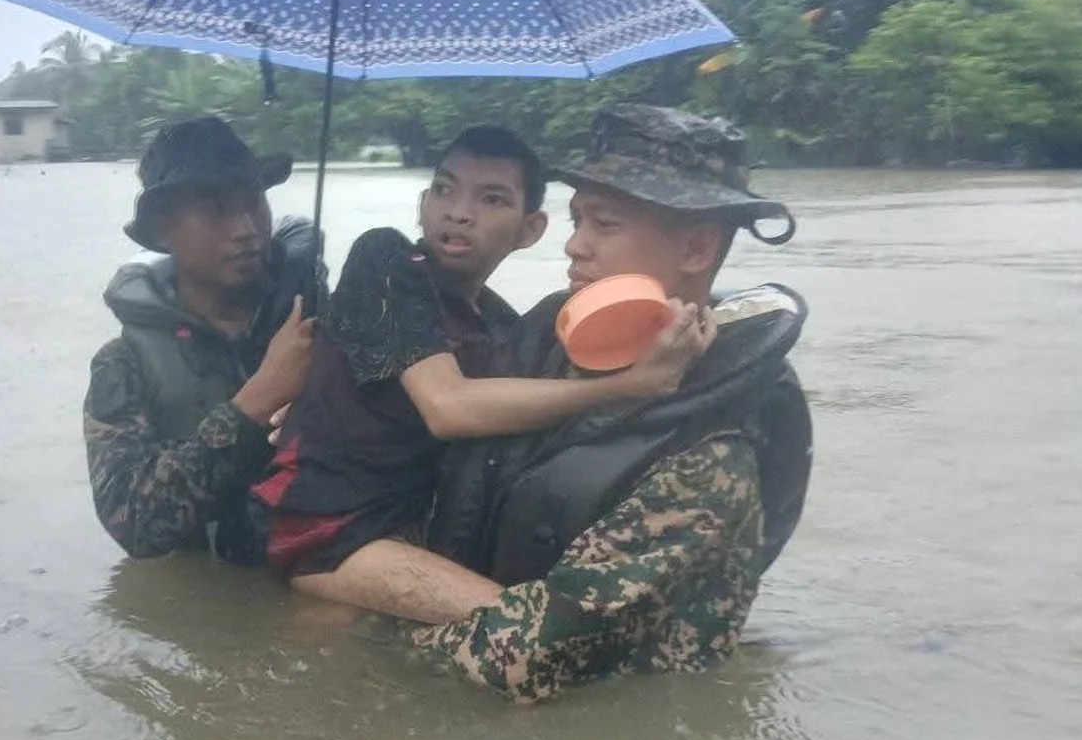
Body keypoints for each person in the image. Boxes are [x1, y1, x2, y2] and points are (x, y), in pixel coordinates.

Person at [412, 103, 815, 703]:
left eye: (603, 225)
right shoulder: (548, 343)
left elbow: (528, 660)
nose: (574, 246)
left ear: (697, 248)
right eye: (576, 219)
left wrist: (369, 613)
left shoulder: (711, 456)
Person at [248, 125, 714, 623]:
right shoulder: (385, 261)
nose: (459, 212)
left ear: (531, 230)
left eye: (491, 199)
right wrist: (629, 386)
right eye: (444, 190)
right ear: (423, 203)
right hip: (326, 530)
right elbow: (448, 407)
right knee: (524, 629)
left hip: (418, 530)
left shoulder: (502, 327)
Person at [84, 117, 325, 565]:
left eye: (254, 201)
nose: (246, 228)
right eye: (216, 209)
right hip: (217, 578)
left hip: (325, 564)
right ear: (162, 229)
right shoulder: (125, 364)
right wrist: (257, 402)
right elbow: (133, 524)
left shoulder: (313, 317)